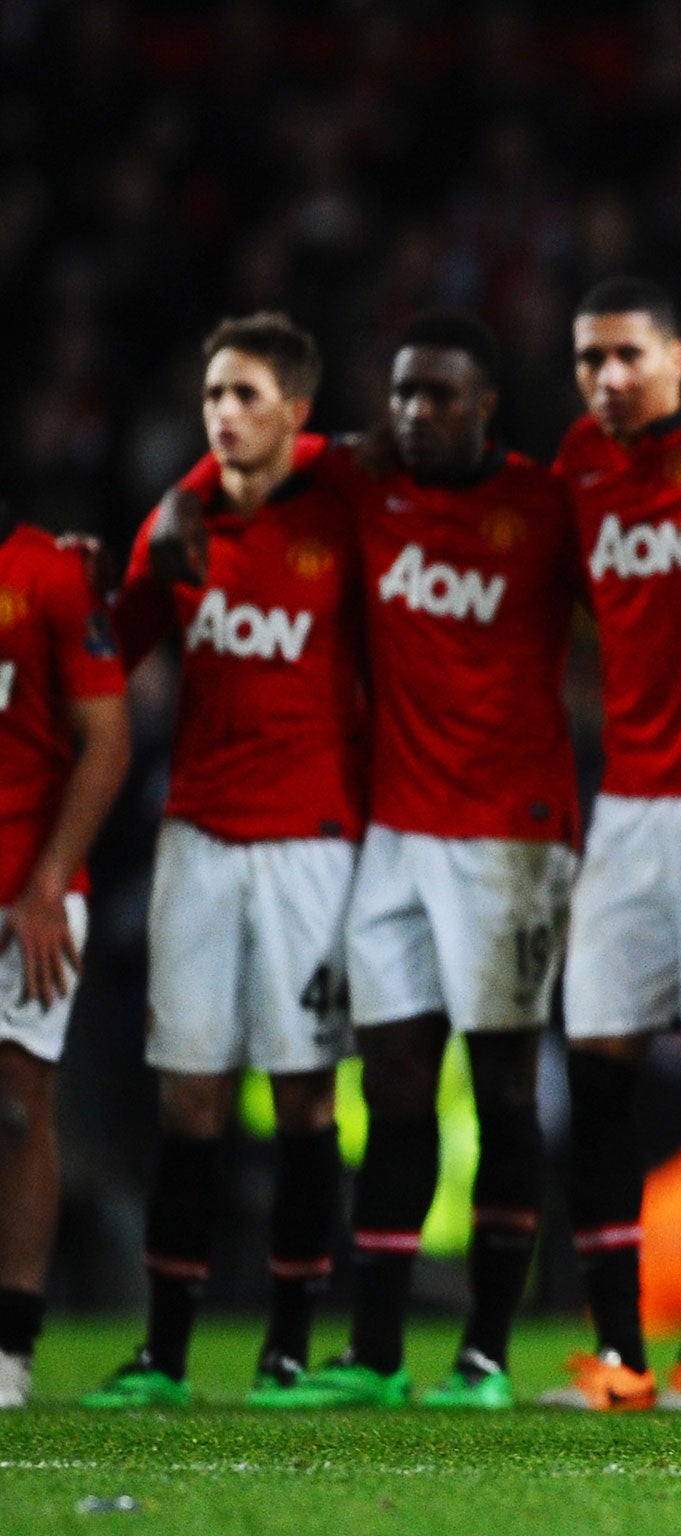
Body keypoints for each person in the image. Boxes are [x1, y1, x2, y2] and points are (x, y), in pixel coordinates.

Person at [155, 316, 581, 1408]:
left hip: (510, 837)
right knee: (390, 1084)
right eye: (402, 395)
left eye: (440, 395)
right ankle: (378, 1352)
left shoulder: (541, 505)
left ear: (486, 404)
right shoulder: (365, 483)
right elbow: (254, 446)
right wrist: (180, 498)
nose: (415, 414)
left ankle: (486, 1350)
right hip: (392, 834)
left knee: (499, 1091)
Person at [83, 315, 364, 1410]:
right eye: (213, 396)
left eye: (246, 394)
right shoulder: (185, 530)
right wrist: (154, 550)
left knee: (301, 1105)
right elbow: (115, 655)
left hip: (309, 849)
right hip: (197, 842)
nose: (224, 413)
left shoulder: (340, 513)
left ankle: (288, 1348)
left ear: (294, 410)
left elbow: (371, 461)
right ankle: (162, 1349)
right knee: (189, 1103)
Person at [538, 276, 681, 1413]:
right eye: (588, 360)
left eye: (627, 356)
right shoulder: (577, 462)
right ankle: (619, 1354)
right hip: (626, 802)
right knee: (597, 1062)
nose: (607, 380)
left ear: (678, 357)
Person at [0, 500, 130, 1409]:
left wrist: (48, 883)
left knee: (17, 1109)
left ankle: (7, 1353)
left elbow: (108, 739)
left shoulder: (48, 573)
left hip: (25, 896)